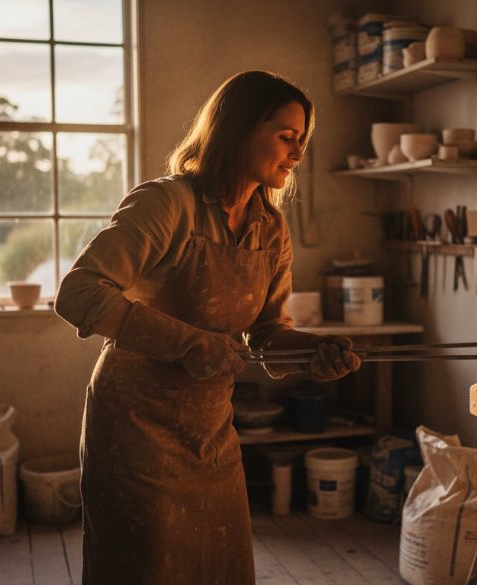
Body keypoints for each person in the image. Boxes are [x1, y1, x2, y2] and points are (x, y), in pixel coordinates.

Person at [54, 70, 362, 584]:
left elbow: (266, 336)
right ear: (239, 128)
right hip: (134, 429)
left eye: (302, 142)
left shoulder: (271, 230)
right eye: (287, 137)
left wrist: (312, 355)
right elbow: (79, 293)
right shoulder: (167, 203)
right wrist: (189, 343)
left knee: (219, 566)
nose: (297, 153)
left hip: (211, 431)